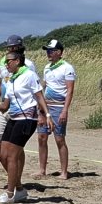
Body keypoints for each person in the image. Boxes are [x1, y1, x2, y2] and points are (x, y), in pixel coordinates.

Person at [0, 48, 43, 204]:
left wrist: (45, 115)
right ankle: (19, 189)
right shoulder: (11, 79)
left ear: (17, 61)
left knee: (12, 156)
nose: (6, 64)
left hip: (26, 119)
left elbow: (40, 96)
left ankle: (10, 194)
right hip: (13, 117)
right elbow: (5, 106)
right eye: (5, 62)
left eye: (9, 61)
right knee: (1, 153)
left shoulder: (30, 75)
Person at [0, 34, 23, 188]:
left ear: (19, 47)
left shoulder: (27, 65)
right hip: (3, 106)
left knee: (16, 148)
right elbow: (1, 84)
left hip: (17, 108)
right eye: (8, 47)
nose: (10, 49)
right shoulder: (3, 62)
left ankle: (16, 180)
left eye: (12, 47)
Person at [37, 39, 76, 179]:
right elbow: (44, 86)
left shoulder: (67, 68)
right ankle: (42, 169)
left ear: (59, 52)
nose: (48, 53)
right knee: (41, 137)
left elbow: (70, 90)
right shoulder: (47, 67)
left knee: (59, 139)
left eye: (51, 51)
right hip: (46, 106)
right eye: (47, 51)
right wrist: (40, 107)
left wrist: (65, 110)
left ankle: (64, 171)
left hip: (59, 107)